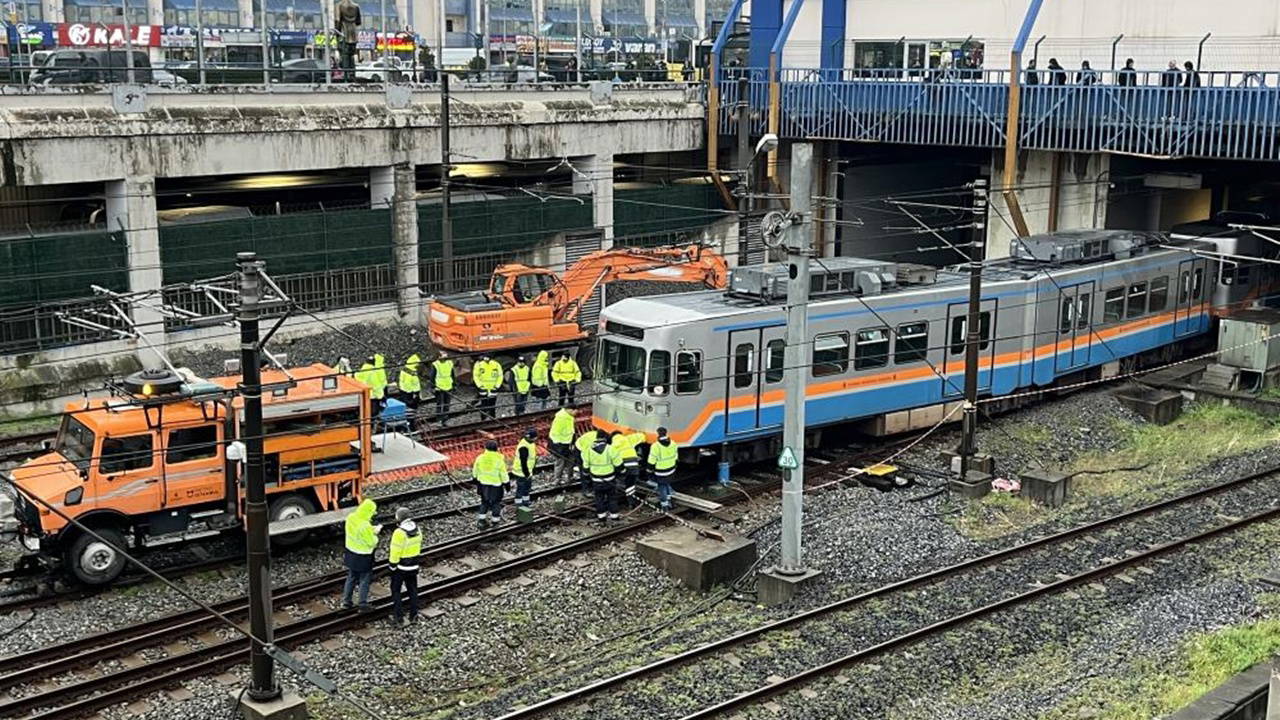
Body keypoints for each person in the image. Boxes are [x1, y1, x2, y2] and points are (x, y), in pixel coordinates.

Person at [342, 497, 381, 611]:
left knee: (351, 577)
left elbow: (357, 532)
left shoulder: (351, 518)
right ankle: (362, 604)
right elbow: (371, 542)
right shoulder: (365, 525)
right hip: (363, 556)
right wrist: (376, 533)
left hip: (350, 553)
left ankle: (346, 601)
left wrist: (370, 529)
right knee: (364, 579)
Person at [388, 507, 421, 626]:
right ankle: (414, 615)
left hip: (401, 567)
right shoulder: (418, 529)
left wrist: (392, 565)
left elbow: (395, 551)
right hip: (413, 566)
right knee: (412, 590)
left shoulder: (399, 533)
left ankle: (399, 617)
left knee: (395, 590)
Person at [583, 434, 621, 523]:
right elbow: (618, 464)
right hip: (610, 479)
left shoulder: (588, 450)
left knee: (599, 498)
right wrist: (622, 472)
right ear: (605, 439)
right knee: (612, 497)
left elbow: (585, 467)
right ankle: (614, 517)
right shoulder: (610, 449)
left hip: (596, 480)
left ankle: (601, 517)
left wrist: (586, 475)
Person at [472, 440, 509, 527]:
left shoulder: (480, 458)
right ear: (497, 449)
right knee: (496, 503)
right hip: (495, 485)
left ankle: (481, 521)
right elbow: (503, 474)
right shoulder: (499, 460)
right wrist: (507, 484)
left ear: (486, 448)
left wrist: (475, 479)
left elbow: (475, 470)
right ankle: (495, 522)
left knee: (484, 502)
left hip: (483, 484)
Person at [609, 430, 645, 507]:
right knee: (631, 484)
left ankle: (617, 501)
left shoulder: (612, 445)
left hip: (622, 465)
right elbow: (642, 436)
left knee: (619, 481)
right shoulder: (628, 439)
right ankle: (631, 502)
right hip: (633, 465)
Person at [647, 426, 678, 511]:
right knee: (667, 484)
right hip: (671, 469)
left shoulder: (655, 446)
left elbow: (651, 460)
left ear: (658, 434)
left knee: (662, 487)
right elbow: (676, 457)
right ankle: (669, 501)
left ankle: (664, 506)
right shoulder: (673, 443)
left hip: (661, 471)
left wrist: (649, 470)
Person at [510, 428, 539, 509]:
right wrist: (527, 474)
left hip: (527, 471)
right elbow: (523, 462)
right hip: (521, 472)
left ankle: (526, 502)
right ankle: (519, 504)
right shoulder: (524, 447)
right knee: (521, 488)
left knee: (526, 487)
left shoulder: (529, 442)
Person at [548, 406, 576, 486]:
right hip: (561, 444)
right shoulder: (564, 418)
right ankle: (562, 479)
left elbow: (571, 431)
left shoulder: (566, 416)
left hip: (563, 443)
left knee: (565, 461)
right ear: (571, 409)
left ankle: (561, 479)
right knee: (562, 461)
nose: (576, 413)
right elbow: (568, 432)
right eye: (576, 411)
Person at [473, 354, 503, 420]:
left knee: (492, 405)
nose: (486, 359)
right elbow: (476, 376)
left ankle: (492, 418)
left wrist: (497, 386)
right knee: (484, 404)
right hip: (483, 388)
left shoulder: (496, 365)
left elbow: (500, 376)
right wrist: (480, 386)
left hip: (493, 388)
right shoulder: (479, 365)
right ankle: (483, 419)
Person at [336, 0, 361, 76]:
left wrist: (337, 34)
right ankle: (352, 75)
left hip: (344, 33)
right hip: (354, 34)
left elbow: (338, 21)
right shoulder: (356, 6)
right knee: (352, 56)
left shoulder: (339, 6)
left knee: (345, 56)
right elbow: (358, 22)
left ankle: (346, 77)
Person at [575, 427, 599, 497]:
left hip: (584, 447)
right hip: (580, 450)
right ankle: (586, 490)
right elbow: (585, 457)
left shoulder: (598, 437)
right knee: (584, 470)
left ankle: (592, 486)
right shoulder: (591, 443)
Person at [430, 352, 454, 422]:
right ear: (439, 357)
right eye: (443, 356)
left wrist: (454, 384)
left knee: (447, 404)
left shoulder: (449, 363)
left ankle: (445, 417)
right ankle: (439, 418)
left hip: (448, 386)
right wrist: (432, 387)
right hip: (439, 387)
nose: (445, 357)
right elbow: (432, 377)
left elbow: (452, 374)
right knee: (440, 404)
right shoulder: (435, 364)